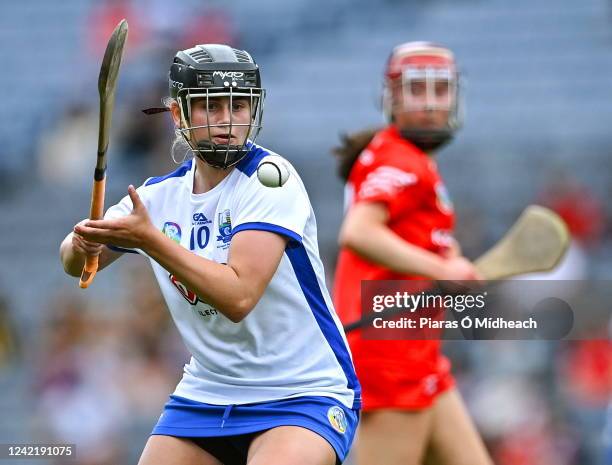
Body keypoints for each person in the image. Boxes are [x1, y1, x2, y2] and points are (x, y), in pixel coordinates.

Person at [60, 44, 360, 465]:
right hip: (208, 393)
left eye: (239, 106)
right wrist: (82, 244)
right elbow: (75, 263)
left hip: (300, 391)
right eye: (210, 107)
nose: (227, 121)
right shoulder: (157, 198)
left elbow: (239, 297)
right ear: (179, 115)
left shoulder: (270, 181)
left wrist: (151, 241)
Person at [332, 42, 492, 465]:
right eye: (416, 90)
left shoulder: (404, 156)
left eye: (440, 91)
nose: (430, 104)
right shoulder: (402, 159)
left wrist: (444, 259)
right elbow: (359, 232)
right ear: (392, 98)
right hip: (388, 353)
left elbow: (403, 239)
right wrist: (441, 267)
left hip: (419, 352)